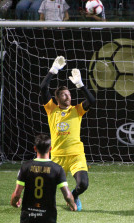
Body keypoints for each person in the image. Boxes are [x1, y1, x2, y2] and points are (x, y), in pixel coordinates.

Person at [40, 56, 96, 212]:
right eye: (64, 95)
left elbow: (91, 101)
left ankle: (74, 195)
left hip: (76, 155)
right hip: (57, 157)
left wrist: (80, 84)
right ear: (57, 98)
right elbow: (43, 87)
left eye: (69, 94)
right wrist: (53, 70)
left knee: (83, 184)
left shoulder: (76, 110)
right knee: (46, 189)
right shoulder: (51, 109)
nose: (68, 96)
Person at [10, 134, 77, 223]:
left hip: (29, 216)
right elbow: (67, 195)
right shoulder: (57, 169)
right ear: (50, 149)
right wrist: (73, 204)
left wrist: (14, 202)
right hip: (47, 218)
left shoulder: (26, 167)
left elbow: (17, 194)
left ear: (35, 148)